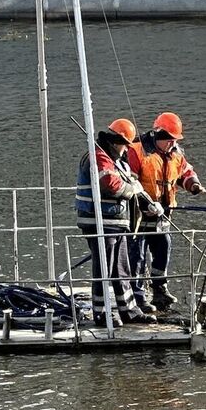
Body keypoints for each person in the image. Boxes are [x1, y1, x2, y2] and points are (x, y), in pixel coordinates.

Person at [77, 126, 152, 325]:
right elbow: (110, 184)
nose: (127, 150)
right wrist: (131, 188)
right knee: (103, 268)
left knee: (121, 268)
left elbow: (128, 184)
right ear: (115, 142)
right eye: (125, 145)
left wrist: (149, 203)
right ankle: (101, 313)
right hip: (98, 221)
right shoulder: (98, 157)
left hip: (116, 224)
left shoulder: (117, 161)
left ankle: (129, 311)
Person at [134, 111, 206, 313]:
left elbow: (185, 172)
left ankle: (160, 289)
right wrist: (145, 203)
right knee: (137, 256)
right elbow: (130, 181)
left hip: (163, 216)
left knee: (163, 249)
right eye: (169, 139)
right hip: (140, 217)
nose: (171, 143)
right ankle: (138, 295)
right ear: (157, 135)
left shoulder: (176, 153)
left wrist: (193, 185)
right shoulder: (138, 150)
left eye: (174, 140)